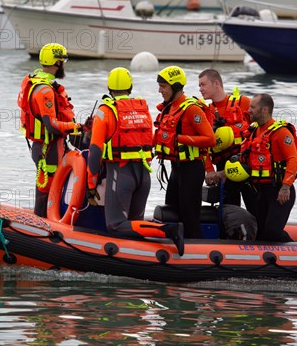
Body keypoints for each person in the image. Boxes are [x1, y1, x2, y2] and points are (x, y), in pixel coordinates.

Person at [86, 67, 184, 255]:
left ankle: (168, 230)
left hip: (120, 174)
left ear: (109, 88)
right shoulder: (142, 109)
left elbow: (95, 151)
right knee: (132, 227)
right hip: (143, 175)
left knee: (115, 225)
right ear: (130, 87)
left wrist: (91, 184)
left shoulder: (104, 111)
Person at [17, 43, 84, 217]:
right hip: (48, 149)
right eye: (63, 61)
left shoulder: (40, 82)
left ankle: (47, 221)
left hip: (47, 147)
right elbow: (52, 126)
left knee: (49, 192)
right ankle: (42, 227)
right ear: (58, 63)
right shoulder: (45, 90)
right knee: (46, 194)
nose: (64, 65)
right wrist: (76, 127)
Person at [223, 93, 297, 242]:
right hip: (257, 191)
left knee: (272, 233)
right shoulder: (252, 132)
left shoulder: (280, 132)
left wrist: (285, 187)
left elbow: (293, 160)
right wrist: (222, 173)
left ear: (264, 110)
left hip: (278, 191)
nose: (248, 110)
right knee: (260, 232)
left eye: (253, 107)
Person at [153, 66, 216, 238]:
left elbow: (210, 139)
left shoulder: (192, 109)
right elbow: (159, 137)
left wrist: (179, 139)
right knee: (171, 209)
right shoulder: (168, 108)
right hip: (176, 168)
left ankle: (197, 251)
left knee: (190, 216)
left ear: (174, 87)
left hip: (192, 169)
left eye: (163, 86)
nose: (160, 90)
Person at [198, 68, 251, 206]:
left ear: (216, 83)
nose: (200, 89)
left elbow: (263, 131)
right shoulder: (204, 112)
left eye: (203, 85)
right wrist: (209, 170)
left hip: (247, 163)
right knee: (228, 210)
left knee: (255, 207)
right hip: (223, 168)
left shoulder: (243, 102)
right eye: (199, 86)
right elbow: (202, 146)